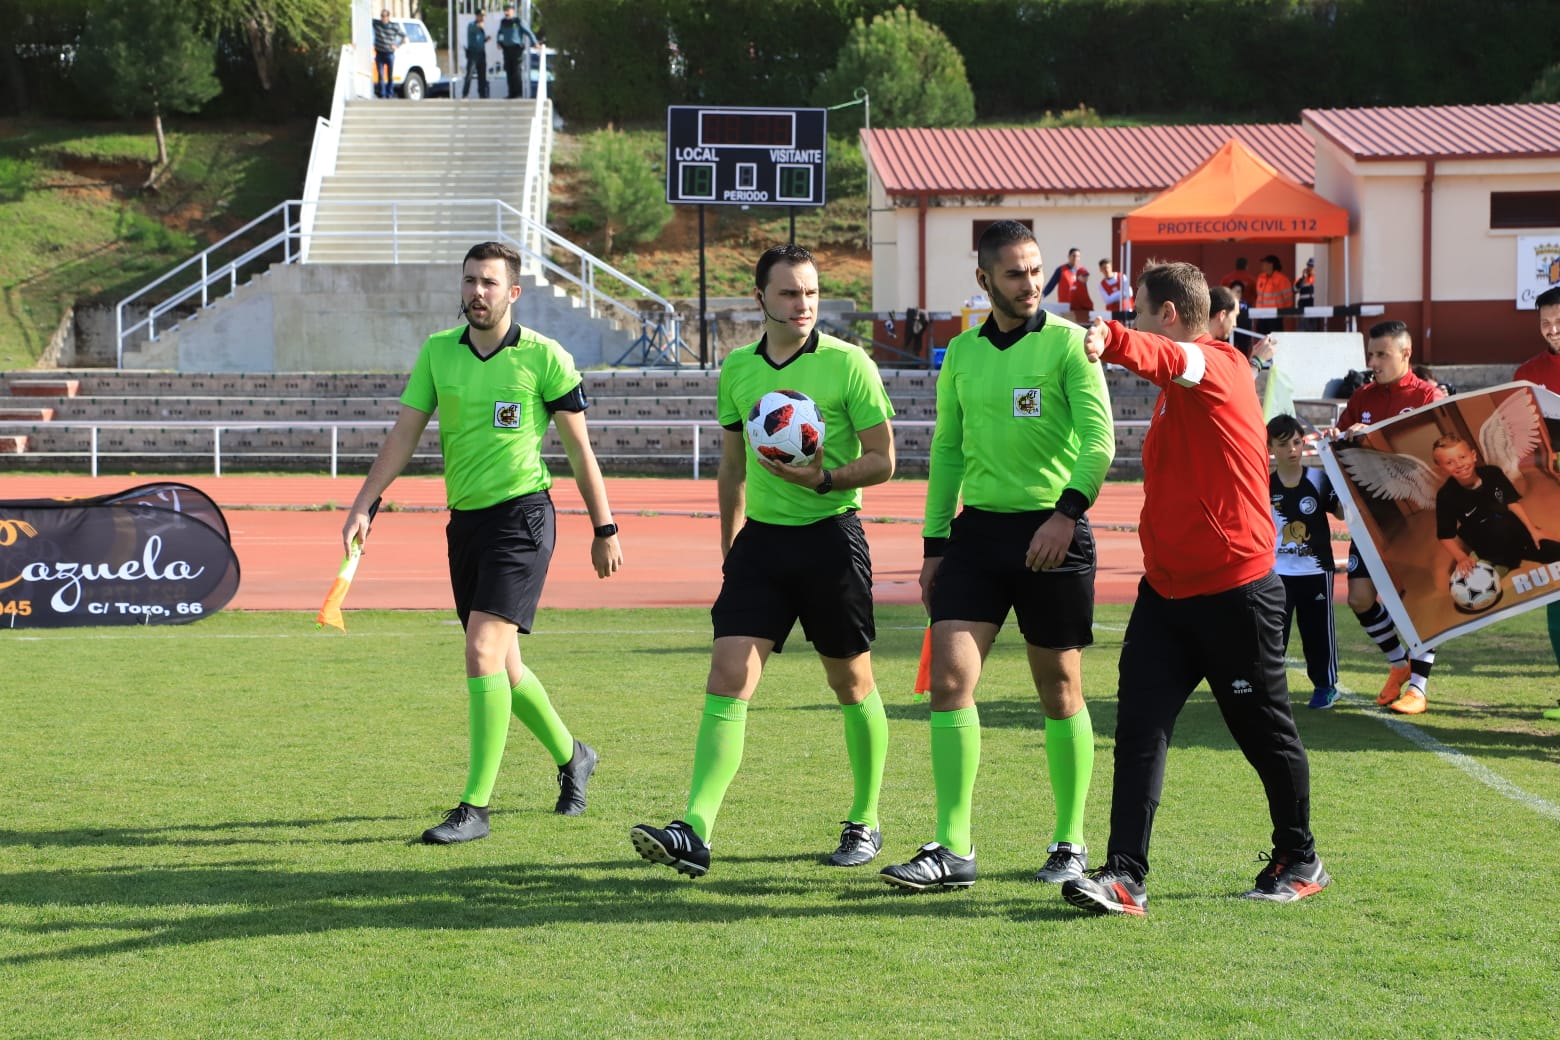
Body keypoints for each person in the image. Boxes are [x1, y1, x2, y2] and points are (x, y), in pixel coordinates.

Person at [1061, 260, 1329, 916]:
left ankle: (1300, 856)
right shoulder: (1184, 384)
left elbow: (1166, 356)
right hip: (1167, 593)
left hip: (1235, 591)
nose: (1134, 321)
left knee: (1261, 730)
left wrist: (1115, 340)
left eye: (1141, 312)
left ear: (1171, 315)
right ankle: (1124, 876)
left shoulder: (1217, 364)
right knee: (1139, 728)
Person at [343, 241, 623, 844]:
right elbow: (404, 435)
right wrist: (365, 502)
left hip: (522, 519)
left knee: (479, 652)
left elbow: (580, 451)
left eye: (489, 283)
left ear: (513, 292)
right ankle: (575, 756)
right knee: (506, 665)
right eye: (470, 281)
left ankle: (476, 807)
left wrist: (605, 528)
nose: (477, 292)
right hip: (465, 523)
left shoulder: (544, 358)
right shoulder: (439, 353)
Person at [630, 244, 897, 878]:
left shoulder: (849, 364)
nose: (802, 305)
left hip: (832, 536)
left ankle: (865, 818)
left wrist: (823, 478)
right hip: (761, 548)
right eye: (787, 294)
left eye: (809, 293)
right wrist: (731, 547)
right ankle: (694, 827)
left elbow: (886, 459)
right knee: (727, 676)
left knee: (851, 684)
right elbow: (731, 468)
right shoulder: (739, 371)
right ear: (760, 299)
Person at [878, 220, 1113, 892]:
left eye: (1036, 270)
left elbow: (1099, 444)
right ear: (984, 280)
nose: (1031, 283)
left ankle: (1069, 841)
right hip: (977, 536)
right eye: (1014, 273)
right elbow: (948, 451)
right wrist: (933, 547)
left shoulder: (1071, 345)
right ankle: (954, 847)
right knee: (950, 682)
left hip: (1053, 535)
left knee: (1060, 690)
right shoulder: (960, 354)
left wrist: (1067, 515)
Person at [1330, 321, 1442, 715]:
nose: (1373, 362)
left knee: (1418, 600)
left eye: (1382, 354)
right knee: (1360, 597)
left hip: (1416, 516)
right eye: (1371, 354)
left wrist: (1376, 436)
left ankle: (1418, 687)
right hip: (1371, 516)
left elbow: (1439, 453)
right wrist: (1341, 439)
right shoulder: (1361, 396)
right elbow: (1341, 448)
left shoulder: (1428, 396)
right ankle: (1398, 664)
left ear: (1405, 354)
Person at [1268, 414, 1344, 709]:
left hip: (1315, 570)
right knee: (1274, 635)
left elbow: (1339, 512)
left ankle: (1325, 686)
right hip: (1276, 573)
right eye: (1284, 444)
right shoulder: (1264, 484)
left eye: (1297, 442)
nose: (1292, 450)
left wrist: (1346, 485)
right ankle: (1271, 690)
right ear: (1271, 448)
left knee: (1318, 632)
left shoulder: (1318, 479)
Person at [1511, 285, 1560, 718]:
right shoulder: (1526, 375)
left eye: (1559, 321)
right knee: (1557, 605)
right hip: (1551, 509)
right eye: (1545, 323)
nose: (1553, 329)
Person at [1432, 435, 1560, 573]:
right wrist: (1461, 557)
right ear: (1441, 469)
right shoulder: (1446, 496)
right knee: (1479, 584)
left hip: (1516, 532)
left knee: (1554, 548)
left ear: (1473, 456)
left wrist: (1532, 529)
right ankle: (1497, 562)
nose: (1459, 464)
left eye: (1462, 457)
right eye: (1449, 462)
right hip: (1487, 546)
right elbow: (1445, 536)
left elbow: (1512, 502)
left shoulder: (1493, 473)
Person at [497, 5, 538, 99]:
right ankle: (511, 93)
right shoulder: (503, 22)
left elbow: (528, 32)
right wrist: (498, 42)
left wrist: (535, 42)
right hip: (507, 49)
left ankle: (518, 93)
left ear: (513, 11)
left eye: (508, 11)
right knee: (509, 71)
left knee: (516, 71)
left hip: (516, 49)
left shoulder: (518, 21)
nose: (507, 13)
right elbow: (500, 33)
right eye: (505, 11)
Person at [372, 9, 406, 100]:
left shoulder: (394, 26)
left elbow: (404, 36)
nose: (383, 18)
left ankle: (389, 94)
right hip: (379, 53)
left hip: (389, 54)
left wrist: (397, 46)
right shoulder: (376, 24)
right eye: (382, 16)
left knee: (390, 75)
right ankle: (382, 94)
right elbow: (365, 19)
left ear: (388, 17)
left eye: (385, 16)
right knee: (381, 74)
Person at [1253, 255, 1293, 335]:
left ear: (1271, 265)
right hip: (1261, 315)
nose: (1262, 266)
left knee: (1275, 339)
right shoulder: (1261, 277)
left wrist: (1283, 312)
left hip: (1275, 316)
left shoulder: (1281, 279)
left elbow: (1288, 298)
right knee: (1261, 338)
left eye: (1264, 263)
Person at [462, 10, 490, 99]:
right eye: (481, 16)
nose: (482, 18)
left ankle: (482, 94)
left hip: (481, 53)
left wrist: (486, 39)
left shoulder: (481, 28)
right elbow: (473, 28)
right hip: (473, 53)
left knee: (482, 75)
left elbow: (480, 40)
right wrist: (479, 26)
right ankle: (465, 94)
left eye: (483, 16)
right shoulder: (471, 25)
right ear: (477, 16)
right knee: (469, 74)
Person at [1294, 258, 1320, 331]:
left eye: (1311, 266)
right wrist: (1303, 278)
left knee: (1314, 331)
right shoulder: (1301, 280)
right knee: (1302, 330)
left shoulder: (1317, 279)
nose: (1309, 268)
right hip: (1303, 310)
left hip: (1314, 310)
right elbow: (1295, 290)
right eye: (1308, 266)